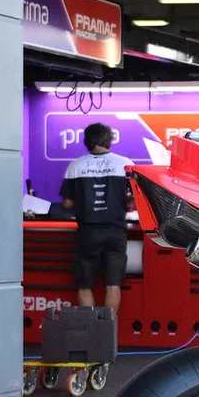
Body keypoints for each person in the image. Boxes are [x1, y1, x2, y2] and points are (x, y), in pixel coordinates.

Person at [60, 123, 133, 314]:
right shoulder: (124, 164)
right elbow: (135, 199)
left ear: (87, 141)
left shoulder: (76, 165)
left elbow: (67, 203)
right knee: (113, 285)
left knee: (84, 285)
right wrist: (123, 202)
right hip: (116, 231)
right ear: (109, 140)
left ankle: (91, 329)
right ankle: (109, 328)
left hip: (88, 232)